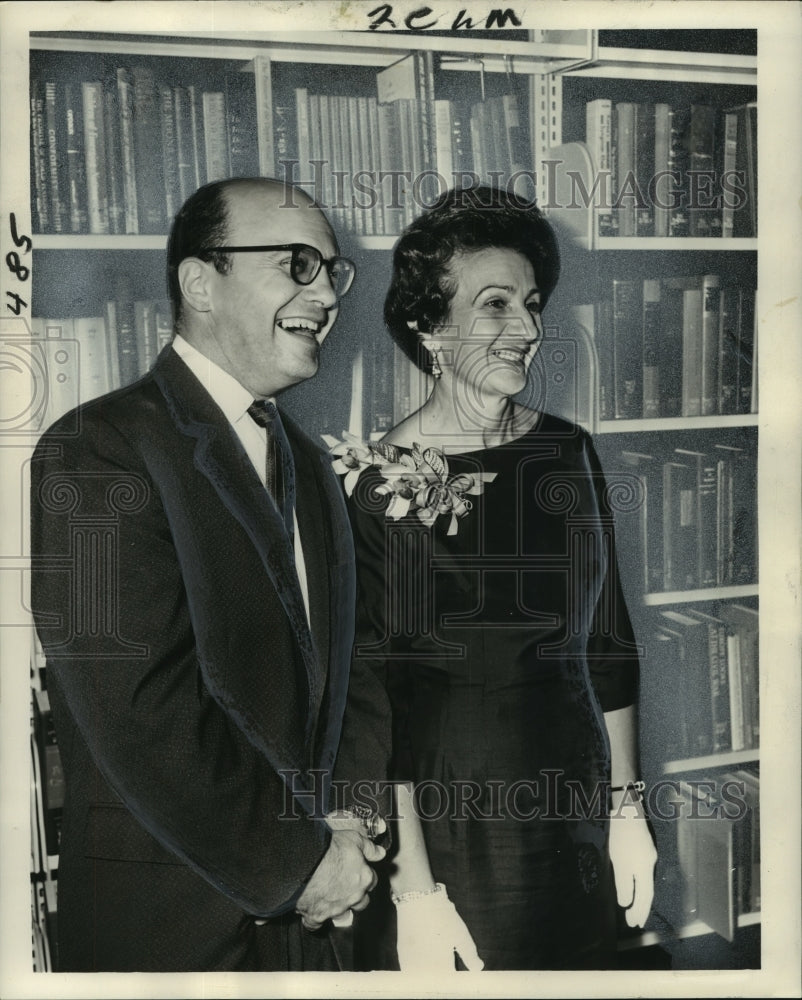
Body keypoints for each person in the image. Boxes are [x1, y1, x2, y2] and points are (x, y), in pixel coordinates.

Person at [29, 178, 393, 972]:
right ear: (201, 281)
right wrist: (301, 862)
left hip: (319, 925)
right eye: (298, 263)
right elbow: (136, 705)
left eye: (334, 271)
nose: (327, 292)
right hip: (175, 935)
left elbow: (354, 678)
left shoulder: (309, 461)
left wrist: (350, 840)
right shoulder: (92, 451)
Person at [333, 186, 657, 970]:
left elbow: (609, 645)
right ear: (429, 328)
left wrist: (627, 809)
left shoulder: (568, 451)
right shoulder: (378, 483)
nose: (528, 329)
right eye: (495, 305)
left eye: (533, 303)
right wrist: (414, 890)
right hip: (457, 832)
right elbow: (379, 708)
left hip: (577, 810)